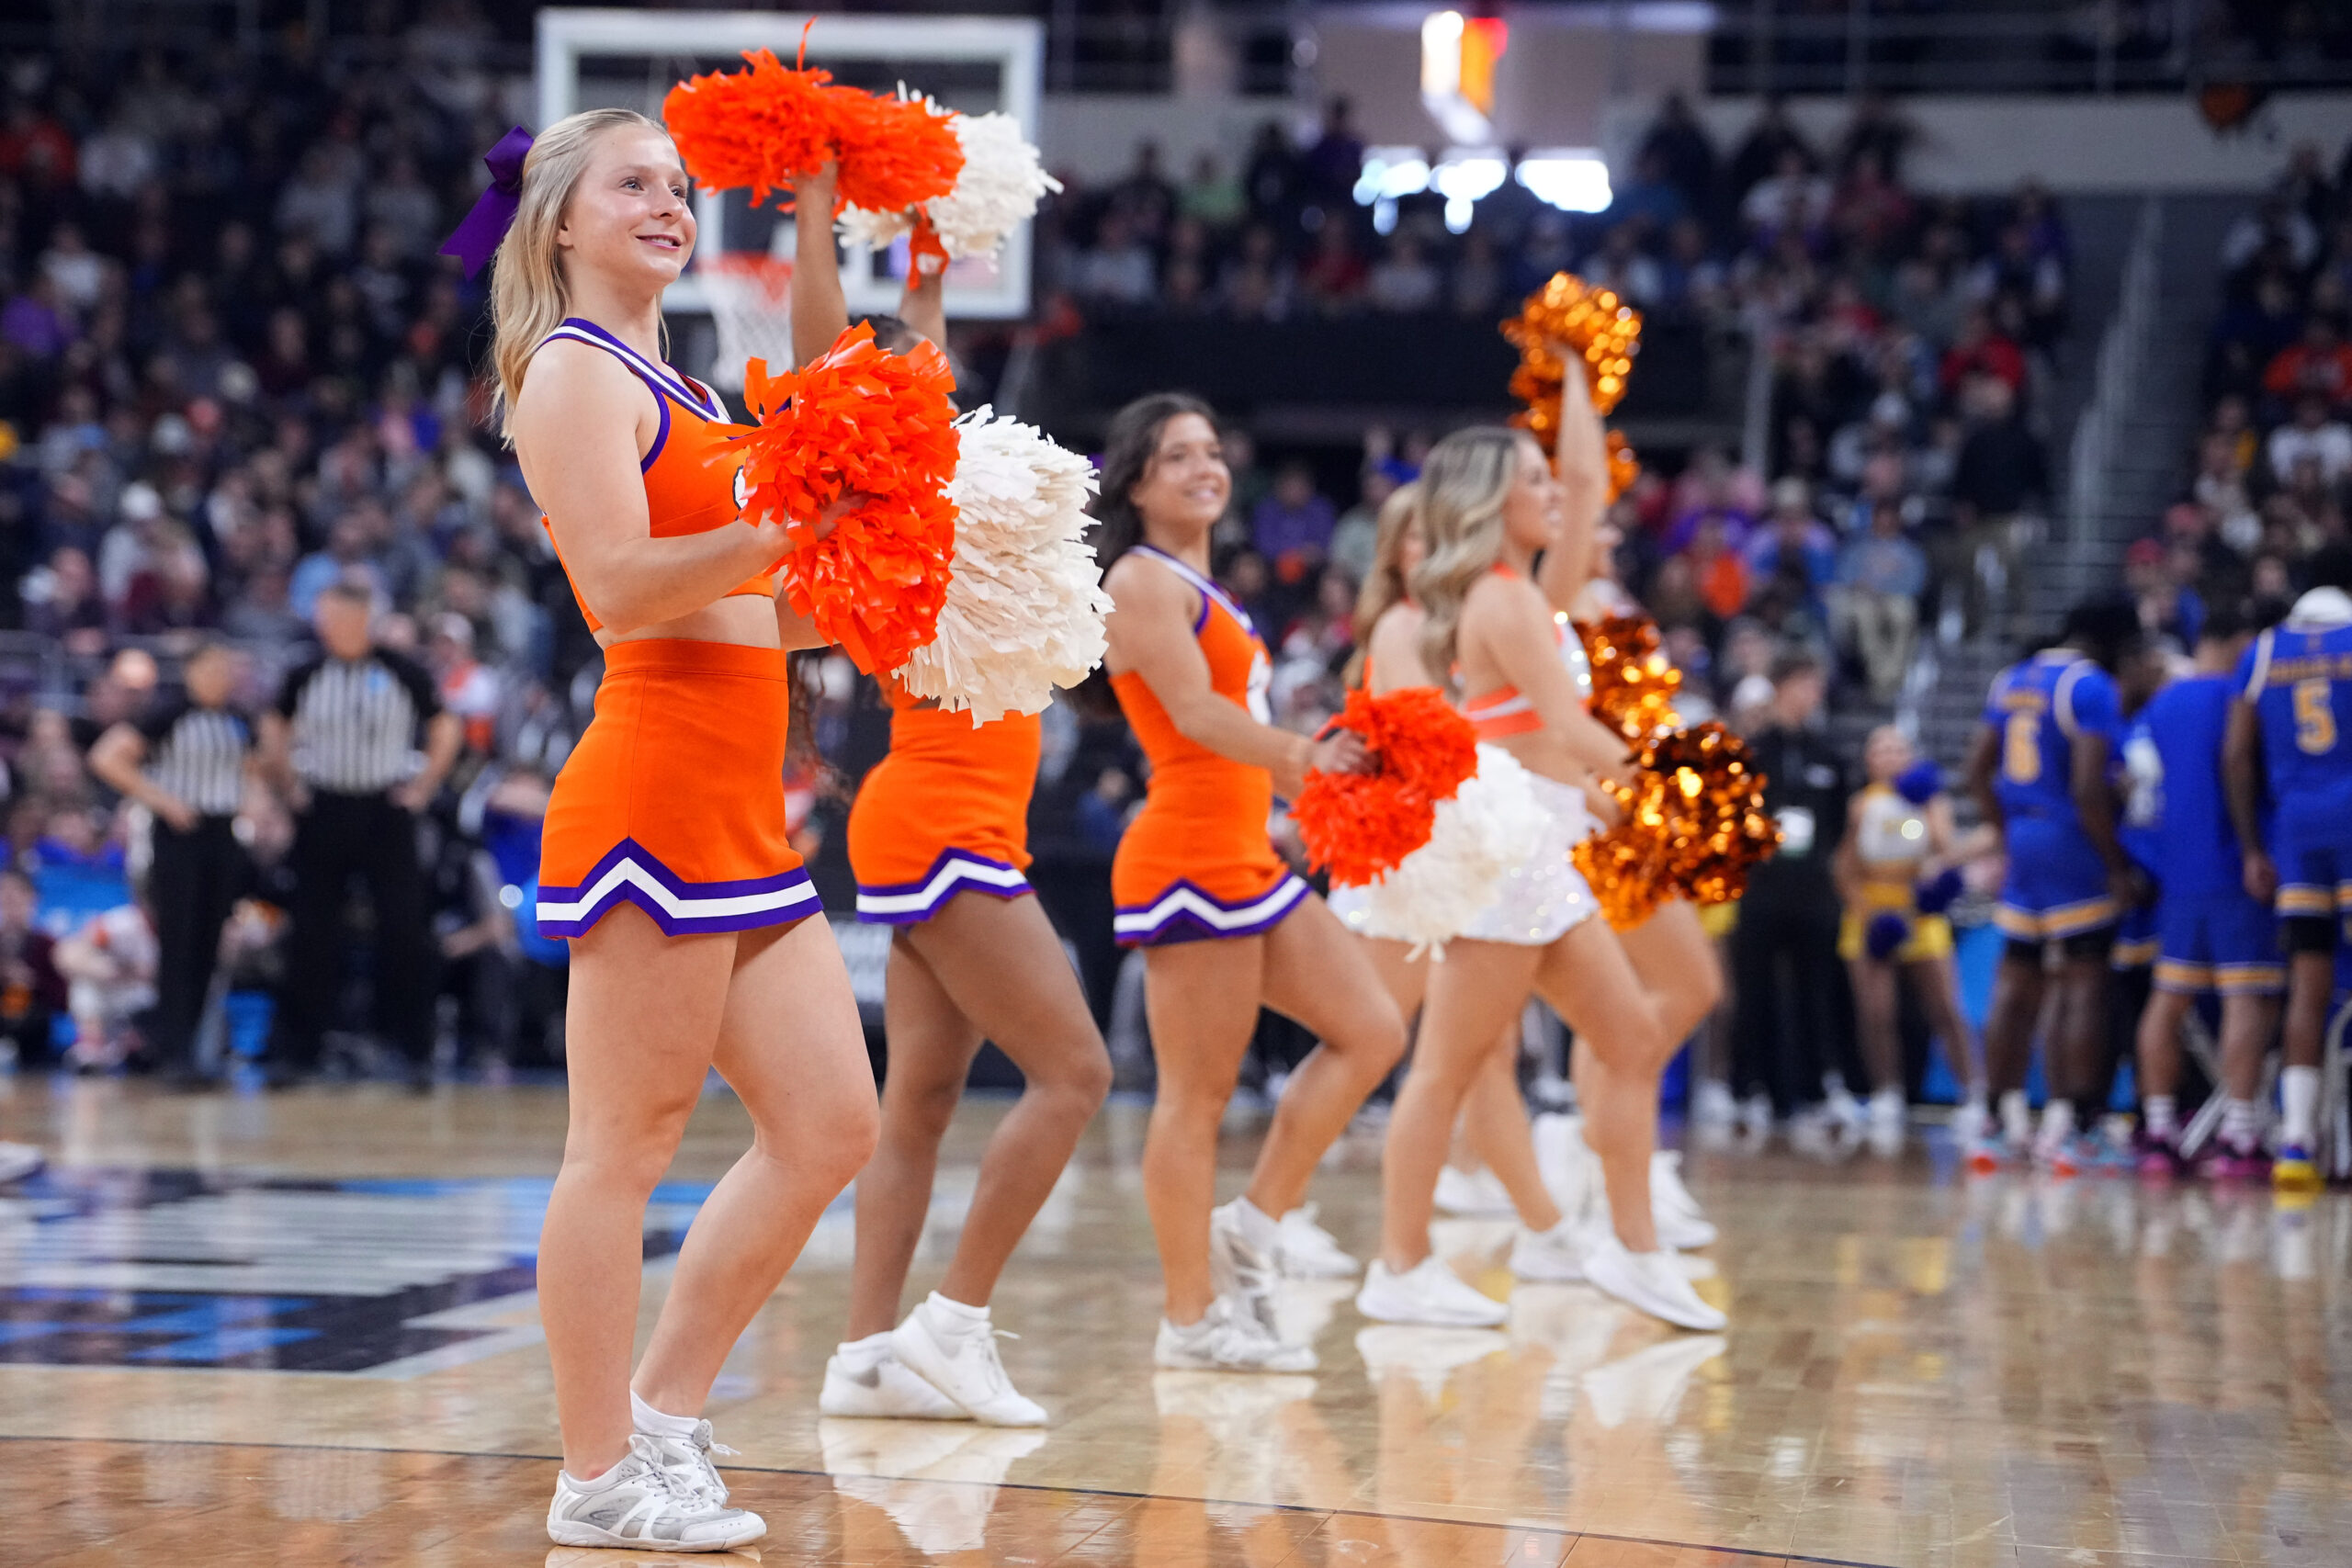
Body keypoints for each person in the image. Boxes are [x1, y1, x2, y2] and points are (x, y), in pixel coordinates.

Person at [490, 109, 879, 1551]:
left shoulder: (688, 383)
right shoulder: (573, 373)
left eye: (676, 183)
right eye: (631, 185)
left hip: (739, 802)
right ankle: (593, 1472)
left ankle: (662, 1413)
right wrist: (795, 515)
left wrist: (871, 580)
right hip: (651, 790)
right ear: (562, 226)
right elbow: (622, 583)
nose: (665, 201)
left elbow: (751, 606)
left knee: (833, 1122)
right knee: (623, 1144)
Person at [786, 161, 1113, 1427]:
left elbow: (910, 353)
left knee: (918, 1098)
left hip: (940, 817)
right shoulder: (896, 509)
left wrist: (925, 255)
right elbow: (832, 367)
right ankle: (953, 1322)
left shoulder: (953, 487)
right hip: (942, 819)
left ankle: (865, 1353)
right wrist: (817, 206)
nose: (920, 384)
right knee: (1074, 1070)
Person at [1351, 423, 1721, 1335]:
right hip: (1503, 855)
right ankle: (1400, 1265)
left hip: (1532, 842)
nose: (1553, 492)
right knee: (1450, 1067)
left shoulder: (1511, 594)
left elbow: (1530, 733)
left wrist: (1603, 804)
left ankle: (1631, 1252)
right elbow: (1565, 722)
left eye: (1550, 480)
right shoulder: (1504, 598)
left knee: (1627, 1040)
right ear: (1489, 501)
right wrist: (1660, 786)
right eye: (1531, 480)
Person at [1098, 391, 1408, 1372]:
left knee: (1370, 1030)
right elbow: (1190, 717)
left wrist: (1299, 797)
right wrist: (1306, 758)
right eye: (1176, 455)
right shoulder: (1142, 581)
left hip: (1243, 849)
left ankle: (1253, 1221)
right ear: (1137, 483)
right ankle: (1189, 1322)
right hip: (1187, 856)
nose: (1203, 468)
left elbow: (1232, 731)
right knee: (1195, 1098)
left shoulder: (1203, 583)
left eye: (1211, 451)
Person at [1966, 598, 2145, 1170]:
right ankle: (2075, 1126)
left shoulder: (2013, 679)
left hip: (2024, 835)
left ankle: (1995, 1118)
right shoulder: (2090, 687)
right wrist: (2117, 865)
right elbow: (2092, 789)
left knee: (2015, 982)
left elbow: (1975, 772)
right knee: (2082, 984)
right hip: (2071, 841)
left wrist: (2005, 832)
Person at [259, 581, 460, 1091]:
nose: (333, 625)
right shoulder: (304, 671)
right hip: (323, 805)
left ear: (365, 617)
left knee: (404, 930)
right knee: (310, 932)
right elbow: (272, 727)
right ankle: (300, 1050)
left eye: (343, 615)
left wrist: (423, 787)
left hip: (384, 810)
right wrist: (288, 786)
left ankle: (412, 1051)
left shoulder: (400, 670)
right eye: (326, 615)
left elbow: (446, 727)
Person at [2131, 601, 2282, 1178]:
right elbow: (2242, 767)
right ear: (2239, 639)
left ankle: (2160, 1127)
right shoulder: (2239, 699)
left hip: (2177, 873)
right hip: (2236, 866)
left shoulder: (2163, 702)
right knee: (2250, 996)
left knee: (2169, 1000)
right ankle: (2241, 1135)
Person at [2228, 543, 2352, 1193]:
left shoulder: (2265, 651)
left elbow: (2237, 757)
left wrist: (2253, 845)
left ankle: (2298, 1141)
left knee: (2308, 987)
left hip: (2296, 833)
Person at [86, 642, 254, 1089]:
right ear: (192, 671)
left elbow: (261, 764)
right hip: (179, 836)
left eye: (226, 668)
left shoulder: (238, 718)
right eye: (212, 668)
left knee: (208, 943)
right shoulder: (167, 714)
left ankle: (195, 1051)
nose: (221, 677)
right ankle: (171, 1051)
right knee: (177, 945)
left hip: (223, 834)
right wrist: (162, 800)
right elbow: (106, 757)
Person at [1831, 728, 1985, 1154]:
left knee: (1946, 1007)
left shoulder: (1930, 799)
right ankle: (1886, 1093)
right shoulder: (1860, 805)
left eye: (1898, 748)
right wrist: (1868, 913)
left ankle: (1972, 1094)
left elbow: (1945, 849)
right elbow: (1844, 868)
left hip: (1918, 911)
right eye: (1880, 748)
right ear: (1869, 760)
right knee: (1876, 1010)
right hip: (1873, 910)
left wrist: (1923, 804)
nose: (1890, 755)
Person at [1732, 649, 1856, 1131]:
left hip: (1814, 891)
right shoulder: (1752, 753)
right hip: (1762, 888)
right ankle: (1750, 1087)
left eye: (1816, 686)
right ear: (1782, 687)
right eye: (1804, 684)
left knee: (1816, 991)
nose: (1812, 696)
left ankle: (1814, 1088)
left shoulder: (1829, 756)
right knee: (1754, 989)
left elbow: (1840, 824)